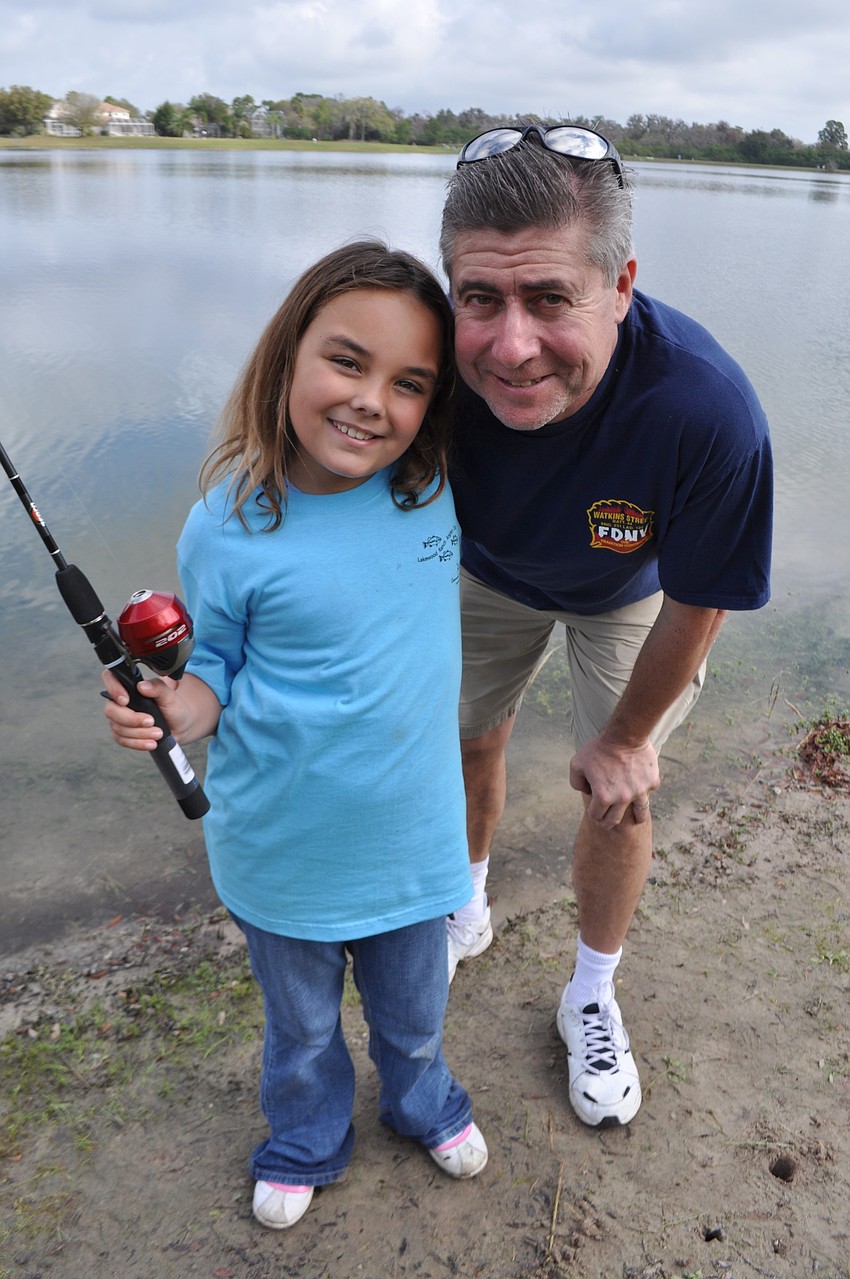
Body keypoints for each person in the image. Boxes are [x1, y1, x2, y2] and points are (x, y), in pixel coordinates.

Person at [102, 241, 488, 1230]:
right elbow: (212, 673)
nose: (371, 401)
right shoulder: (224, 524)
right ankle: (307, 1137)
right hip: (281, 843)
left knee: (413, 1013)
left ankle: (422, 1101)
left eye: (409, 384)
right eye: (347, 361)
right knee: (302, 1025)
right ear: (286, 355)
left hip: (412, 838)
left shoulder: (434, 484)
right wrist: (173, 710)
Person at [439, 125, 773, 1129]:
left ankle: (590, 986)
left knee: (617, 792)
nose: (510, 345)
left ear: (620, 285)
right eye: (479, 298)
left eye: (549, 298)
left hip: (632, 588)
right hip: (487, 572)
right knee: (465, 734)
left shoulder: (706, 411)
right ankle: (465, 903)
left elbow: (702, 594)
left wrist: (624, 739)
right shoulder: (416, 356)